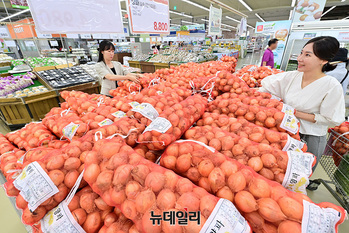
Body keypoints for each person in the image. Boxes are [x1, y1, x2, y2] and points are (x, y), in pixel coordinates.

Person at [259, 36, 345, 189]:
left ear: (323, 60)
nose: (299, 58)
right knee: (277, 177)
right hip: (284, 134)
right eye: (301, 53)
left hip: (309, 138)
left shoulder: (331, 86)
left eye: (307, 55)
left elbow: (332, 119)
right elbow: (266, 85)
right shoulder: (292, 76)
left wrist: (294, 112)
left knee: (297, 180)